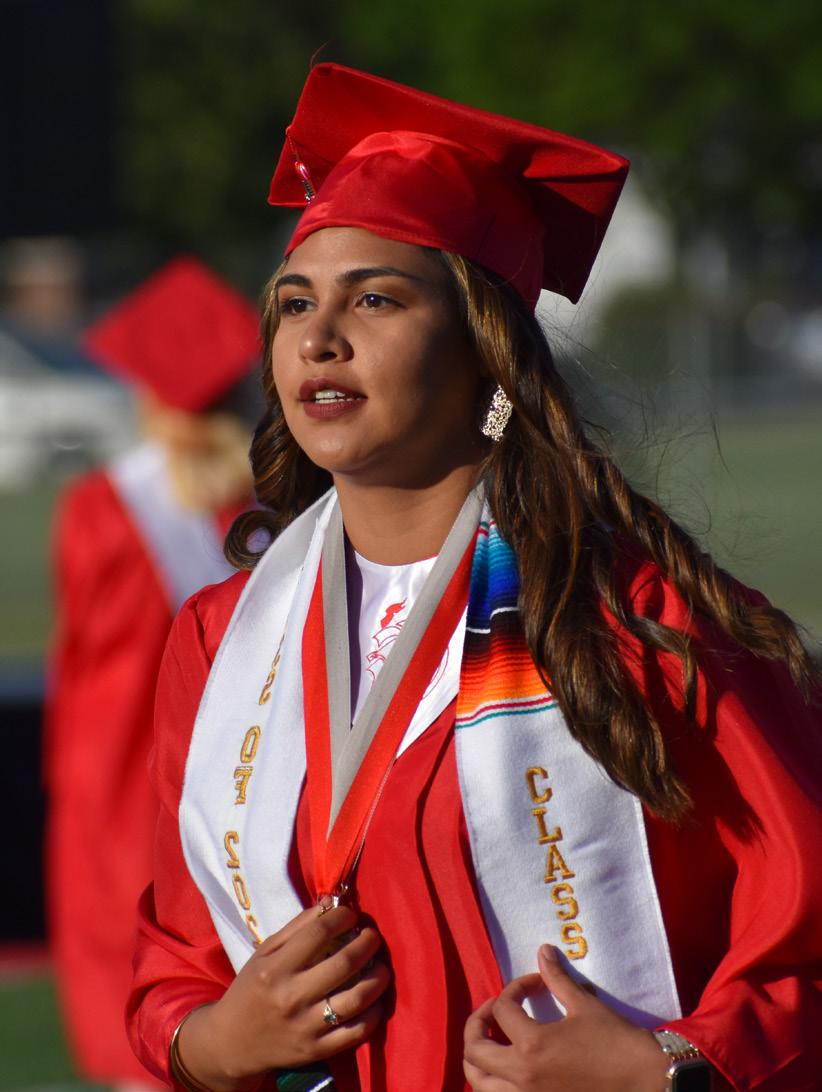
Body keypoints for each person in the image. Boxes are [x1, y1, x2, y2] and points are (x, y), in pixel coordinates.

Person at [126, 65, 822, 1092]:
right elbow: (174, 961)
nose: (318, 336)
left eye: (375, 298)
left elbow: (802, 948)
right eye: (294, 303)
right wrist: (212, 1043)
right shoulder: (222, 641)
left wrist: (664, 1068)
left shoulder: (645, 623)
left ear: (487, 353)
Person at [46, 257, 261, 1090]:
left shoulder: (100, 512)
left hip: (117, 796)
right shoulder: (274, 514)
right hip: (237, 793)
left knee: (144, 1018)